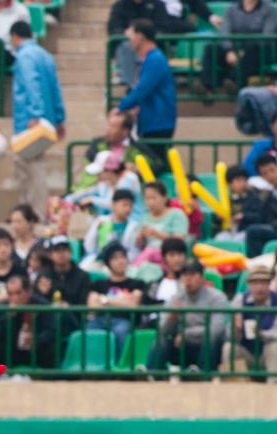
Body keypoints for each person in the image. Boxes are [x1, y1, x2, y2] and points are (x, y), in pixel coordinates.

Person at [9, 21, 65, 218]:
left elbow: (32, 86)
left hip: (29, 121)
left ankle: (32, 214)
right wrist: (59, 118)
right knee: (33, 166)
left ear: (14, 36)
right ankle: (30, 213)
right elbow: (55, 88)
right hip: (45, 119)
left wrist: (35, 115)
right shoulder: (45, 56)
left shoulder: (25, 56)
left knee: (29, 169)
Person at [115, 19, 177, 158]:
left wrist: (120, 107)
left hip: (158, 123)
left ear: (140, 36)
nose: (129, 40)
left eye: (131, 35)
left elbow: (142, 90)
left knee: (156, 165)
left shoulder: (155, 59)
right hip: (151, 122)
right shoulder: (149, 59)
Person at [150, 261, 228, 370]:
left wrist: (186, 334)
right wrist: (172, 316)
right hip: (182, 347)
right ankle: (151, 374)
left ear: (202, 278)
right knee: (160, 340)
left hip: (206, 347)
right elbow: (163, 330)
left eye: (192, 275)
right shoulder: (176, 298)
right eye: (185, 275)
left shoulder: (217, 298)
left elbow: (216, 330)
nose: (188, 279)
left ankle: (201, 375)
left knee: (211, 339)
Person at [222, 262, 277, 377]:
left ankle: (274, 383)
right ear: (249, 285)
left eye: (263, 283)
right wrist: (236, 329)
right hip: (247, 352)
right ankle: (233, 385)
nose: (259, 287)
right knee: (229, 348)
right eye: (255, 283)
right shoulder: (239, 300)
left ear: (269, 284)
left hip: (267, 352)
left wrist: (262, 334)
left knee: (274, 346)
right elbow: (228, 336)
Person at [85, 243, 146, 356]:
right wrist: (122, 301)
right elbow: (92, 306)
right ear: (108, 263)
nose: (120, 261)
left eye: (123, 257)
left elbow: (133, 304)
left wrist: (105, 300)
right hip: (100, 319)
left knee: (121, 330)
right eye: (115, 258)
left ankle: (118, 368)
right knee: (89, 329)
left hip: (125, 320)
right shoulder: (98, 284)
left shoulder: (137, 283)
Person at [204, 0, 277, 92]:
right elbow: (225, 33)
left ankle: (234, 83)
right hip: (234, 50)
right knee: (210, 48)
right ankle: (207, 86)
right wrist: (229, 50)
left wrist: (244, 52)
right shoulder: (231, 9)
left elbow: (267, 36)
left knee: (253, 51)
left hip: (259, 51)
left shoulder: (269, 9)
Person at [0, 272, 58, 366]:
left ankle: (44, 378)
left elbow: (51, 331)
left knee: (50, 350)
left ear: (28, 291)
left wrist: (36, 340)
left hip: (36, 349)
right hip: (13, 349)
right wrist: (8, 318)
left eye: (18, 293)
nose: (14, 298)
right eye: (10, 294)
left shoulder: (42, 305)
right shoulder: (3, 306)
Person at [74, 111, 154, 191]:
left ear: (125, 131)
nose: (108, 130)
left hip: (125, 194)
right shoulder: (97, 144)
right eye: (108, 125)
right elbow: (92, 158)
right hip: (92, 190)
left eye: (113, 126)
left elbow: (157, 165)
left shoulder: (138, 148)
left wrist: (136, 169)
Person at [83, 189, 142, 267]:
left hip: (124, 264)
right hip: (101, 262)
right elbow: (89, 247)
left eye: (130, 206)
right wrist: (96, 231)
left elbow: (135, 252)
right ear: (113, 205)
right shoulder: (101, 221)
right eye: (124, 205)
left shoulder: (135, 226)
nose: (128, 209)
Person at [135, 180, 190, 263]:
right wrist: (141, 236)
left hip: (170, 258)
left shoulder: (177, 215)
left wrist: (157, 234)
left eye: (154, 198)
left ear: (165, 197)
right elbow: (138, 245)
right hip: (148, 258)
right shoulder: (144, 217)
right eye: (147, 198)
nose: (150, 202)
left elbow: (178, 242)